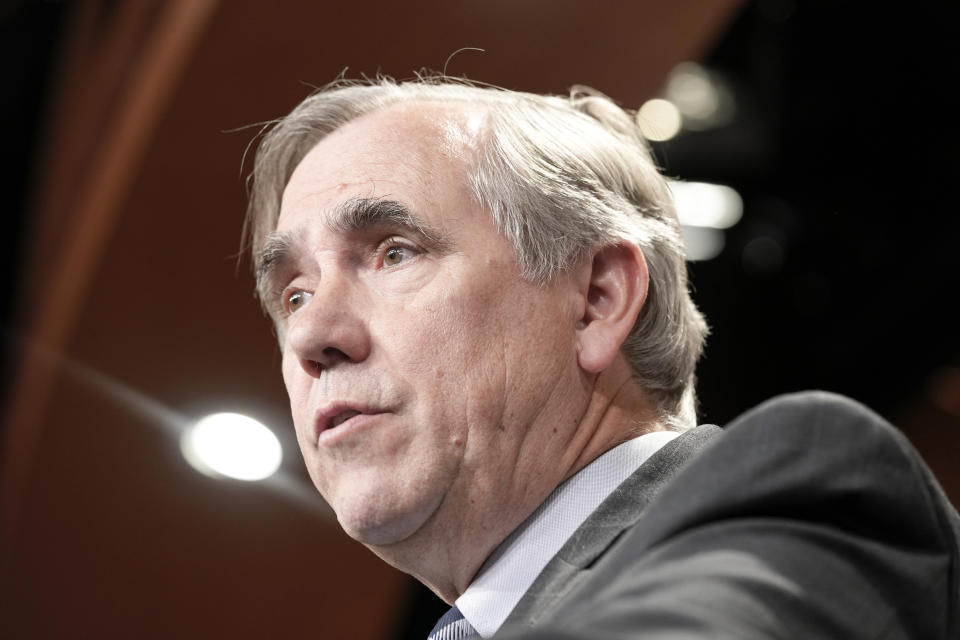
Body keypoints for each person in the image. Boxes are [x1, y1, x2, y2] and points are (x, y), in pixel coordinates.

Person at [244, 76, 960, 639]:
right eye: (296, 295)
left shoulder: (797, 499)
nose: (310, 338)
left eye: (394, 252)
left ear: (597, 299)